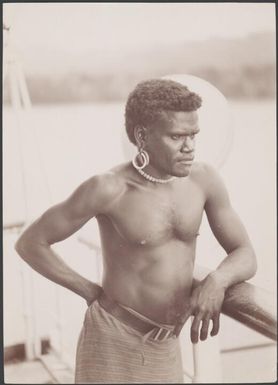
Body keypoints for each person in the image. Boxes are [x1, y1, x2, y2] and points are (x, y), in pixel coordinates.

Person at [15, 79, 257, 384]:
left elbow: (246, 254)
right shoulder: (108, 188)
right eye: (177, 137)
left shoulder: (205, 180)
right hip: (112, 339)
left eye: (194, 135)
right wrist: (88, 290)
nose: (190, 147)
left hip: (167, 345)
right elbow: (30, 243)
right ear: (143, 136)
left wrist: (218, 280)